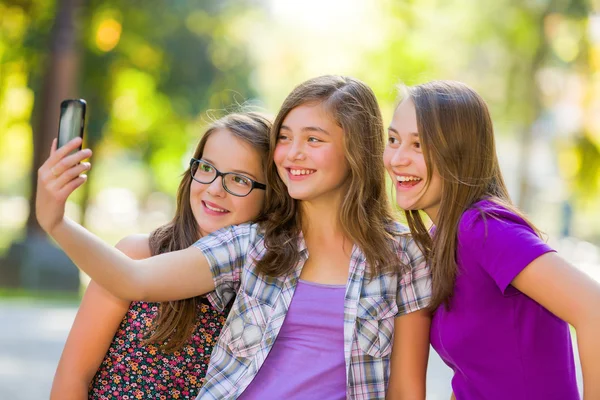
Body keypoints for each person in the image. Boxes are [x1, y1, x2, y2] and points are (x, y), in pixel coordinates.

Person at [36, 75, 432, 400]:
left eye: (313, 139)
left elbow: (405, 389)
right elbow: (133, 278)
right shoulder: (254, 244)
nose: (293, 153)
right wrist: (56, 223)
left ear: (357, 151)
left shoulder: (403, 256)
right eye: (285, 137)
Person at [383, 80, 600, 400]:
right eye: (393, 140)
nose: (397, 159)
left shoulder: (483, 228)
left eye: (418, 145)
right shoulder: (443, 237)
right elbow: (476, 376)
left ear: (458, 153)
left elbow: (593, 307)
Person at [49, 112, 272, 400]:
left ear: (272, 195)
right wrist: (54, 220)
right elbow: (73, 376)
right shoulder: (138, 255)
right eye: (206, 168)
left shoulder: (267, 290)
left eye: (240, 180)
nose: (215, 189)